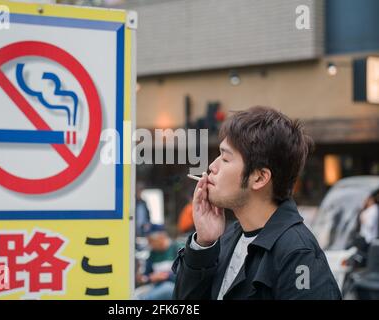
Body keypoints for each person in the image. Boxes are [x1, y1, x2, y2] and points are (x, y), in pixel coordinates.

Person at [172, 106, 341, 300]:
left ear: (259, 178)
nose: (212, 166)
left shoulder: (297, 254)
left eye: (226, 159)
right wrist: (204, 245)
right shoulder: (227, 238)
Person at [135, 224, 179, 300]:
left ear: (161, 237)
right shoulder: (152, 254)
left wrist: (166, 276)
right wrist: (146, 278)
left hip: (175, 288)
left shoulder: (177, 249)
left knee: (168, 288)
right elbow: (147, 275)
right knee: (136, 294)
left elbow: (185, 274)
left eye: (151, 241)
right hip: (156, 287)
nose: (149, 244)